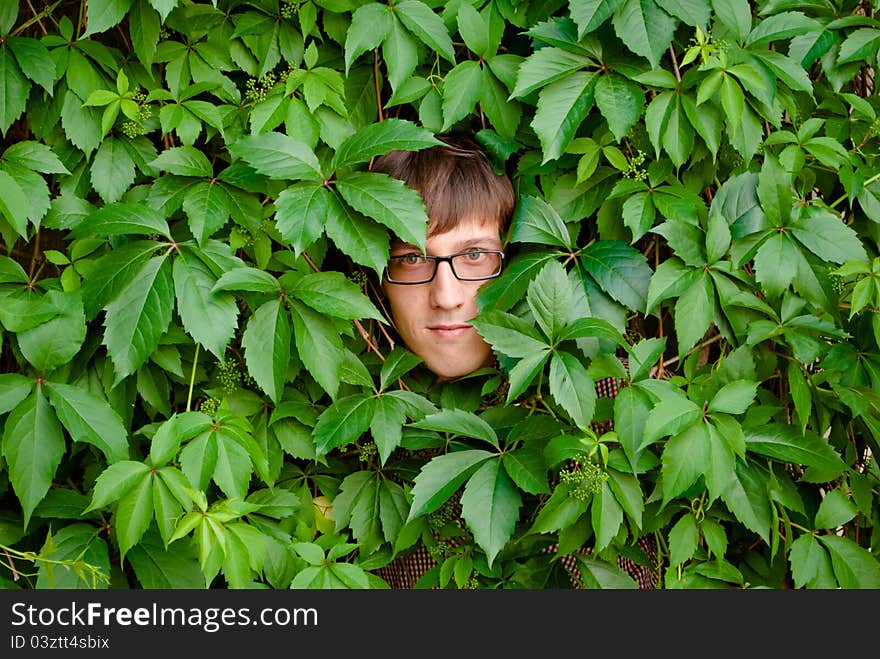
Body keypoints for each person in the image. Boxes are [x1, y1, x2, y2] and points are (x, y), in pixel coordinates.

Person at [363, 133, 657, 588]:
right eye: (413, 258)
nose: (446, 296)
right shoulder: (361, 434)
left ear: (515, 262)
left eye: (476, 255)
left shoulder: (606, 397)